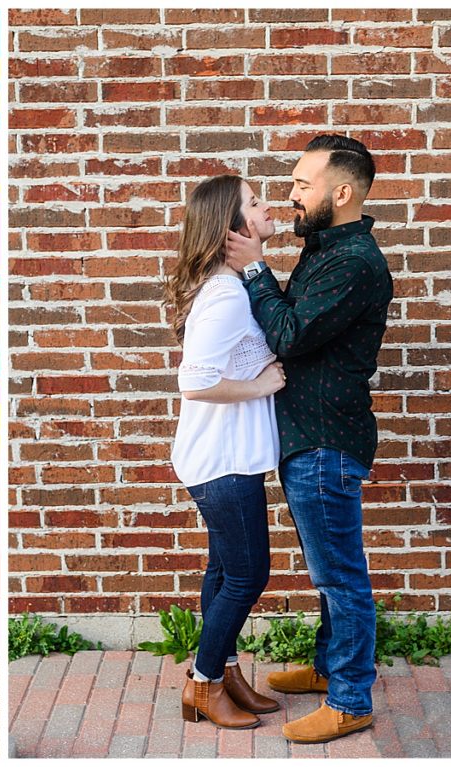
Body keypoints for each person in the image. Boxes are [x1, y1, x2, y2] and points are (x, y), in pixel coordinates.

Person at [224, 134, 393, 744]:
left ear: (340, 192)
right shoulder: (328, 251)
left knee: (340, 577)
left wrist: (253, 270)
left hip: (325, 442)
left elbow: (290, 334)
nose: (290, 196)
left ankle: (350, 700)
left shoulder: (352, 262)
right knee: (332, 574)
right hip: (310, 437)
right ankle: (329, 671)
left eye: (302, 185)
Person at [166, 174, 287, 730]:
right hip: (221, 461)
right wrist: (261, 386)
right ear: (232, 228)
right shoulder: (226, 296)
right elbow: (194, 381)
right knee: (246, 575)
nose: (267, 209)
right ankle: (203, 683)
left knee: (223, 570)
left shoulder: (231, 286)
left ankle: (226, 671)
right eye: (255, 204)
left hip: (225, 457)